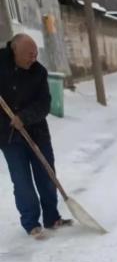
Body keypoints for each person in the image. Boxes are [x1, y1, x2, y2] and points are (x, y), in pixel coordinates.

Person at [0, 34, 72, 240]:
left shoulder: (38, 72)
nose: (33, 59)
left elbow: (44, 104)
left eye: (35, 54)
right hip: (8, 137)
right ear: (14, 51)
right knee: (22, 181)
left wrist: (24, 117)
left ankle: (52, 217)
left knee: (47, 175)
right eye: (29, 55)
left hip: (37, 132)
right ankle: (31, 223)